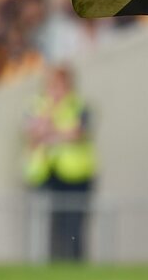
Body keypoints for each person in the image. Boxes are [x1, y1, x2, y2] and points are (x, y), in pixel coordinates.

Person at [24, 64, 97, 261]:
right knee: (50, 224)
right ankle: (51, 261)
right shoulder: (39, 105)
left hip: (76, 174)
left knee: (74, 225)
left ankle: (74, 261)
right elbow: (32, 132)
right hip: (47, 173)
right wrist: (52, 120)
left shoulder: (78, 105)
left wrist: (51, 132)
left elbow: (78, 132)